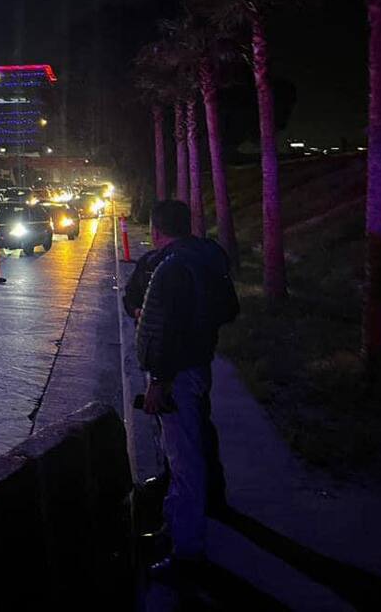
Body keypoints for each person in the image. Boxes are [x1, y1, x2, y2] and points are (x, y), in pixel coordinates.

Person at [136, 199, 239, 579]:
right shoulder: (204, 257)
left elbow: (165, 331)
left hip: (176, 375)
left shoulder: (171, 268)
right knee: (190, 450)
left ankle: (186, 550)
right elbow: (229, 310)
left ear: (157, 229)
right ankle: (178, 526)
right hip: (198, 364)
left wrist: (159, 382)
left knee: (184, 464)